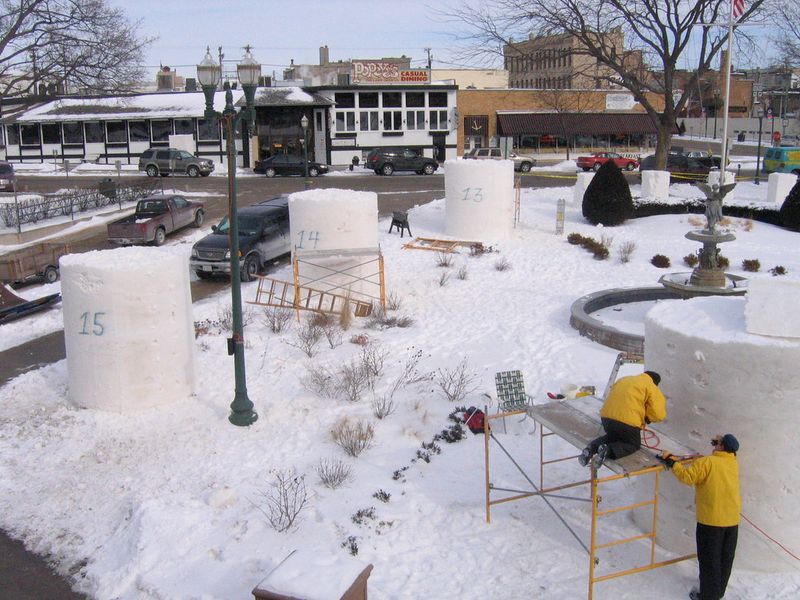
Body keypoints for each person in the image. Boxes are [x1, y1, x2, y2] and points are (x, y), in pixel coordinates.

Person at [661, 434, 741, 600]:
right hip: (732, 521)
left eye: (717, 443)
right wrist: (703, 460)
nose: (714, 444)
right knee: (725, 559)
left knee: (709, 559)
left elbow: (688, 477)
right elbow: (716, 466)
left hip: (711, 521)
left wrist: (672, 462)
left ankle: (708, 597)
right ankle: (718, 593)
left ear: (722, 446)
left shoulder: (707, 462)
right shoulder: (732, 463)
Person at [578, 371, 666, 468]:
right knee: (633, 444)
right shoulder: (651, 387)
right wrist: (648, 418)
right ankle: (608, 451)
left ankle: (591, 448)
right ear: (655, 382)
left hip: (606, 418)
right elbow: (658, 415)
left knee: (614, 437)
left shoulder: (624, 379)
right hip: (628, 424)